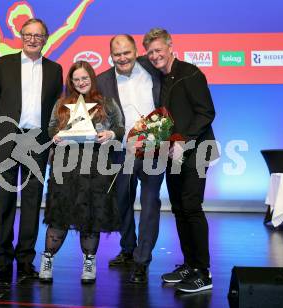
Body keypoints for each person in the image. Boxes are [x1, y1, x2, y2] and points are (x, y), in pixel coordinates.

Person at [0, 18, 63, 283]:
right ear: (20, 36)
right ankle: (3, 261)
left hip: (37, 141)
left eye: (38, 36)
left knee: (31, 202)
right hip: (6, 139)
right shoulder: (3, 64)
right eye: (28, 34)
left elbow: (56, 111)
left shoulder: (55, 69)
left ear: (45, 38)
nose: (32, 39)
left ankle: (25, 260)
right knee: (5, 201)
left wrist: (52, 142)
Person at [143, 28, 218, 293]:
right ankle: (190, 264)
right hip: (173, 154)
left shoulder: (191, 73)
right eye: (150, 52)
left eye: (158, 49)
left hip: (196, 151)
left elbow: (206, 111)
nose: (154, 55)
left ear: (171, 46)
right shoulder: (162, 79)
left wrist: (183, 140)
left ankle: (204, 273)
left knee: (191, 207)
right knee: (178, 208)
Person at [38, 61, 124, 284]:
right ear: (71, 82)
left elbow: (121, 127)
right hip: (66, 166)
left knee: (92, 215)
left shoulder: (107, 103)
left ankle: (89, 262)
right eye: (76, 79)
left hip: (96, 167)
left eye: (84, 78)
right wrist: (55, 136)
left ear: (92, 78)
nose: (81, 83)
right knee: (60, 214)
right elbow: (51, 128)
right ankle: (47, 258)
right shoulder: (62, 103)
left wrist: (111, 134)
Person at [96, 35, 164, 284]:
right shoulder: (102, 80)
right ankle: (127, 249)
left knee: (149, 205)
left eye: (127, 52)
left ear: (137, 51)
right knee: (121, 201)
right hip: (120, 149)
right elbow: (98, 115)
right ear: (111, 55)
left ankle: (142, 259)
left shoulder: (153, 70)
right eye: (117, 54)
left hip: (154, 149)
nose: (122, 58)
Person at [0, 0, 93, 58]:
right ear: (11, 24)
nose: (22, 24)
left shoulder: (43, 47)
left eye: (26, 19)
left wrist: (84, 3)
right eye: (18, 20)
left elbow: (68, 26)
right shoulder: (2, 48)